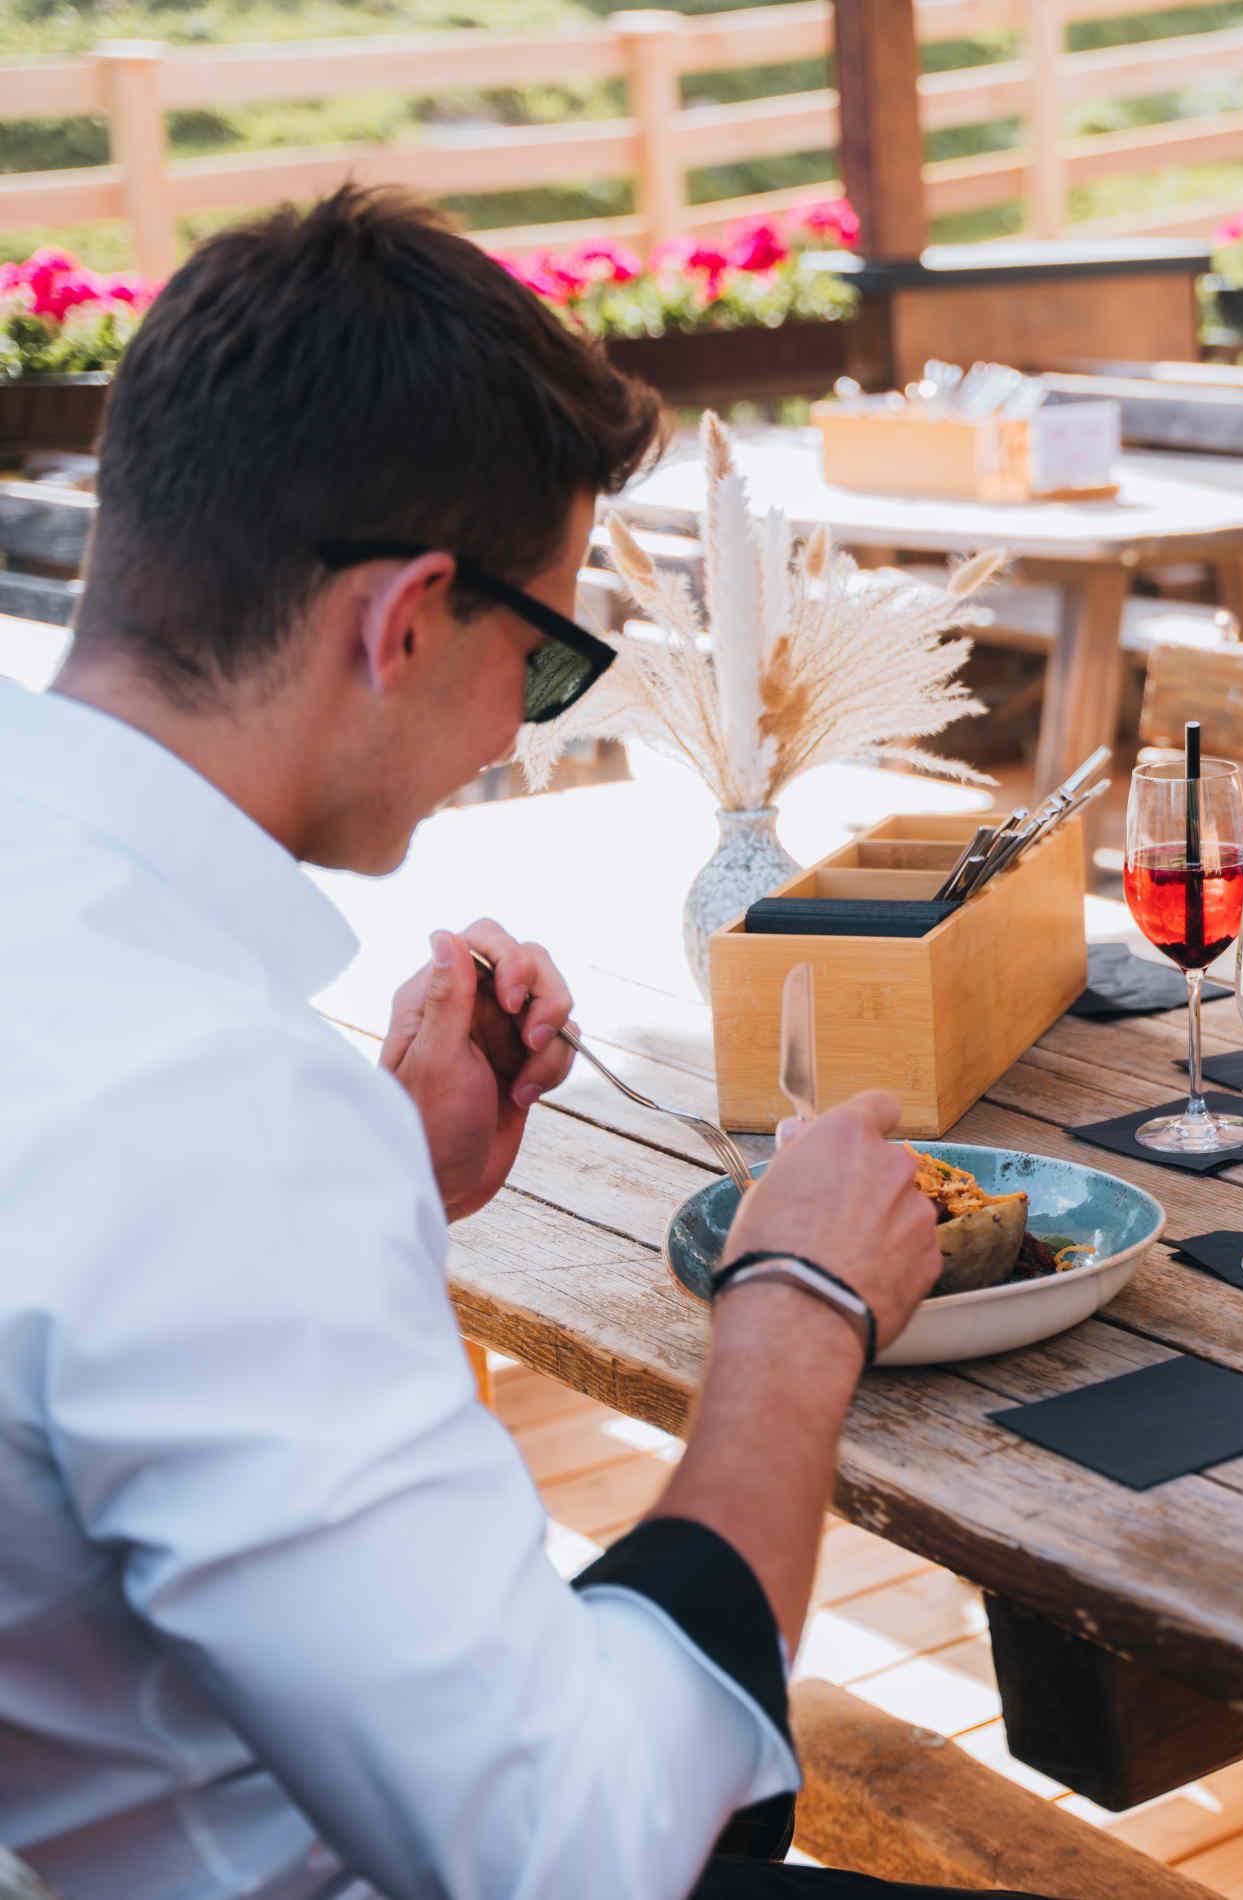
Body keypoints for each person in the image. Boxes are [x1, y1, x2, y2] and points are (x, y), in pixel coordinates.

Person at [0, 188, 1052, 1900]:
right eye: (549, 653)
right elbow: (580, 1847)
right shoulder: (209, 1115)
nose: (519, 729)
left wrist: (393, 1176)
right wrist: (798, 1307)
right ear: (406, 618)